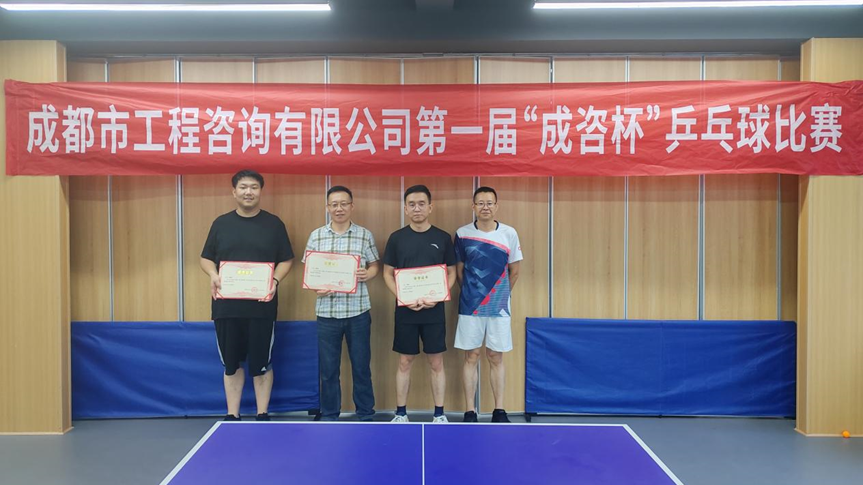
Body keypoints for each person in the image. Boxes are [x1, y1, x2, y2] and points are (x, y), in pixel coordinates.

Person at [200, 169, 294, 422]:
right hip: (226, 308)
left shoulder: (274, 224)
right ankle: (232, 415)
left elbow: (286, 260)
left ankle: (262, 413)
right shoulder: (221, 223)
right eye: (243, 187)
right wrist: (213, 274)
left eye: (253, 187)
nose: (248, 192)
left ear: (261, 191)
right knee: (231, 364)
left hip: (262, 307)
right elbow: (206, 258)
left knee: (262, 363)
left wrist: (275, 280)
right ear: (234, 192)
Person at [303, 185, 380, 421]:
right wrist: (316, 287)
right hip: (326, 313)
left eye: (344, 204)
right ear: (328, 207)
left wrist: (368, 273)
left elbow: (375, 265)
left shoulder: (364, 235)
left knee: (361, 367)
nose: (339, 208)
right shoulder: (316, 236)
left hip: (358, 312)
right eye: (334, 204)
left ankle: (365, 413)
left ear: (351, 206)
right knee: (328, 370)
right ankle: (329, 414)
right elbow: (310, 272)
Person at [382, 185, 457, 423]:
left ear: (430, 207)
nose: (417, 208)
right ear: (405, 208)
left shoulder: (442, 238)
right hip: (406, 311)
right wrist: (403, 297)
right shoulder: (396, 238)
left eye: (421, 204)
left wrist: (439, 296)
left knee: (436, 362)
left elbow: (452, 272)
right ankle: (401, 413)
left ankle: (439, 414)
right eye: (412, 204)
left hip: (434, 310)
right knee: (405, 361)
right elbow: (387, 274)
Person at [454, 186, 522, 423]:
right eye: (480, 203)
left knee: (495, 356)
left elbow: (515, 271)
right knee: (471, 356)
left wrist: (498, 297)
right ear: (473, 206)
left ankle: (499, 410)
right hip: (470, 306)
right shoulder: (462, 234)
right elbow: (459, 272)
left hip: (499, 307)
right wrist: (473, 295)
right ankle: (469, 411)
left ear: (496, 206)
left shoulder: (509, 233)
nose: (485, 207)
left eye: (489, 203)